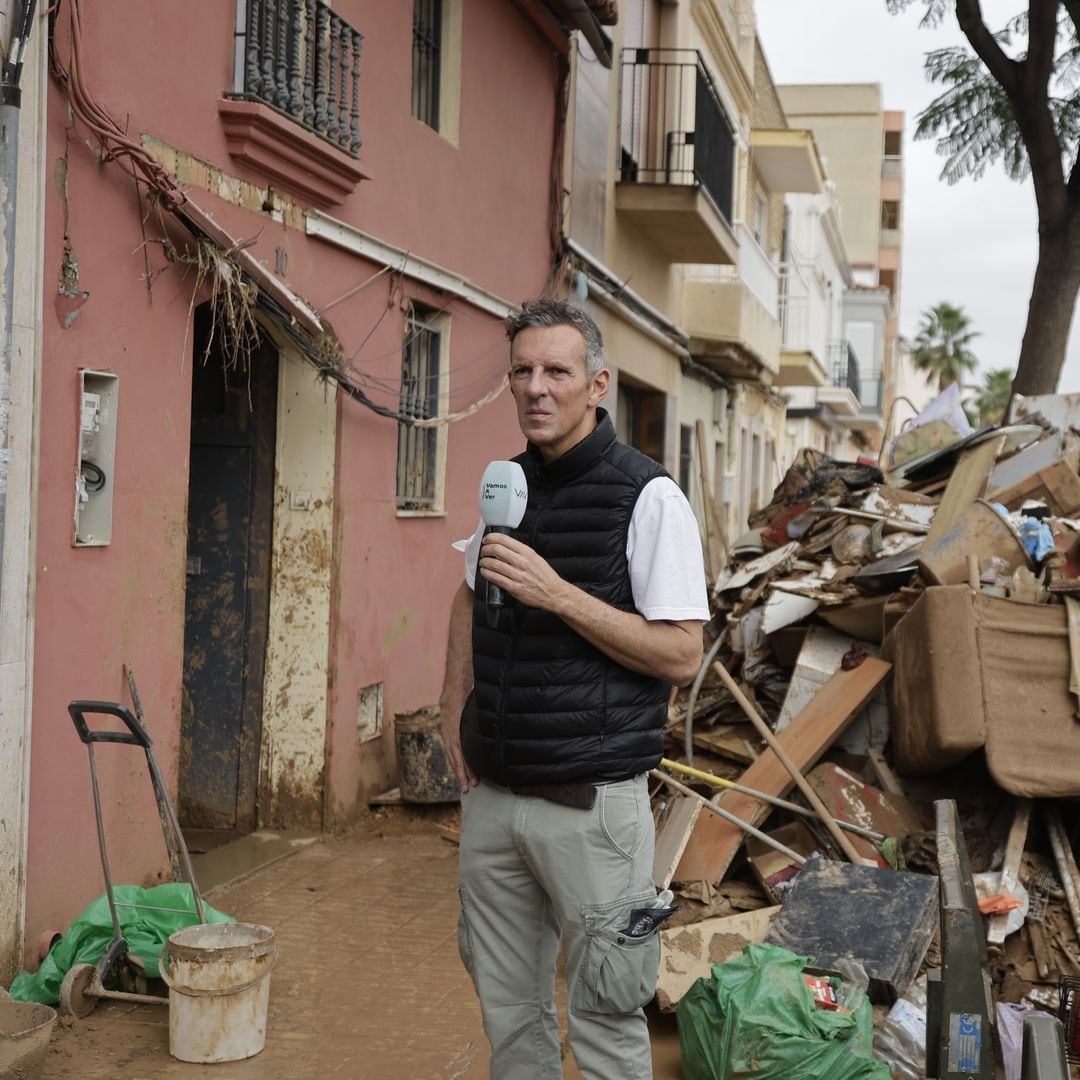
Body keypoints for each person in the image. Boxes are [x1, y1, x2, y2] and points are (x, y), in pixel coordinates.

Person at [439, 298, 708, 1080]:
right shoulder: (505, 487)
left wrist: (559, 596)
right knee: (509, 1015)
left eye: (557, 371)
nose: (535, 387)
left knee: (604, 1015)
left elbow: (683, 654)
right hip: (495, 799)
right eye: (522, 371)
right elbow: (465, 595)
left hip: (592, 809)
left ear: (598, 385)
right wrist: (456, 713)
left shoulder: (647, 497)